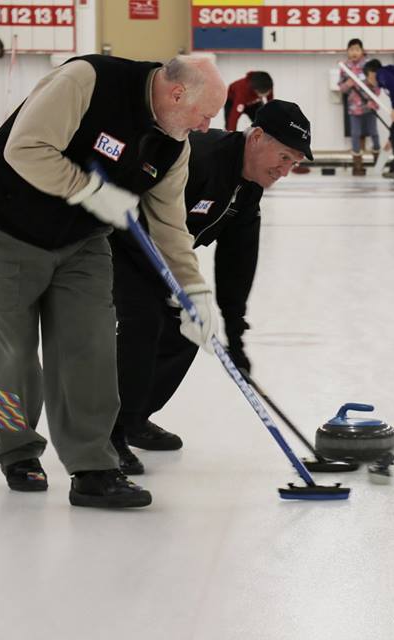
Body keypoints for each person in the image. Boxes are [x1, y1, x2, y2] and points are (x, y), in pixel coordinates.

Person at [0, 54, 227, 508]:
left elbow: (169, 226)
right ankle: (17, 448)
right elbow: (24, 147)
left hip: (82, 242)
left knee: (92, 349)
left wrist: (195, 292)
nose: (206, 127)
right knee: (14, 355)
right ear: (178, 93)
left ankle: (93, 466)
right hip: (5, 231)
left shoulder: (173, 146)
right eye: (204, 115)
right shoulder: (87, 81)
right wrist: (87, 189)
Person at [109, 100, 312, 474]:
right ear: (257, 137)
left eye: (293, 164)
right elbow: (140, 205)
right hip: (121, 244)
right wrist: (166, 279)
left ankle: (133, 418)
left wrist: (236, 334)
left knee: (190, 330)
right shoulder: (202, 158)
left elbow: (238, 258)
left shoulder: (249, 188)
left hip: (167, 260)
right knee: (145, 321)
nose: (284, 170)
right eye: (283, 157)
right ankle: (110, 431)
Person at [338, 38, 380, 176]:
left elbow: (378, 84)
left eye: (357, 49)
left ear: (362, 50)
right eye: (351, 49)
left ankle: (378, 163)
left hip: (369, 106)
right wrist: (348, 84)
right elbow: (341, 88)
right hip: (353, 108)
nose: (354, 52)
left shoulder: (369, 64)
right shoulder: (344, 67)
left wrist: (374, 101)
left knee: (373, 133)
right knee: (355, 135)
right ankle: (357, 166)